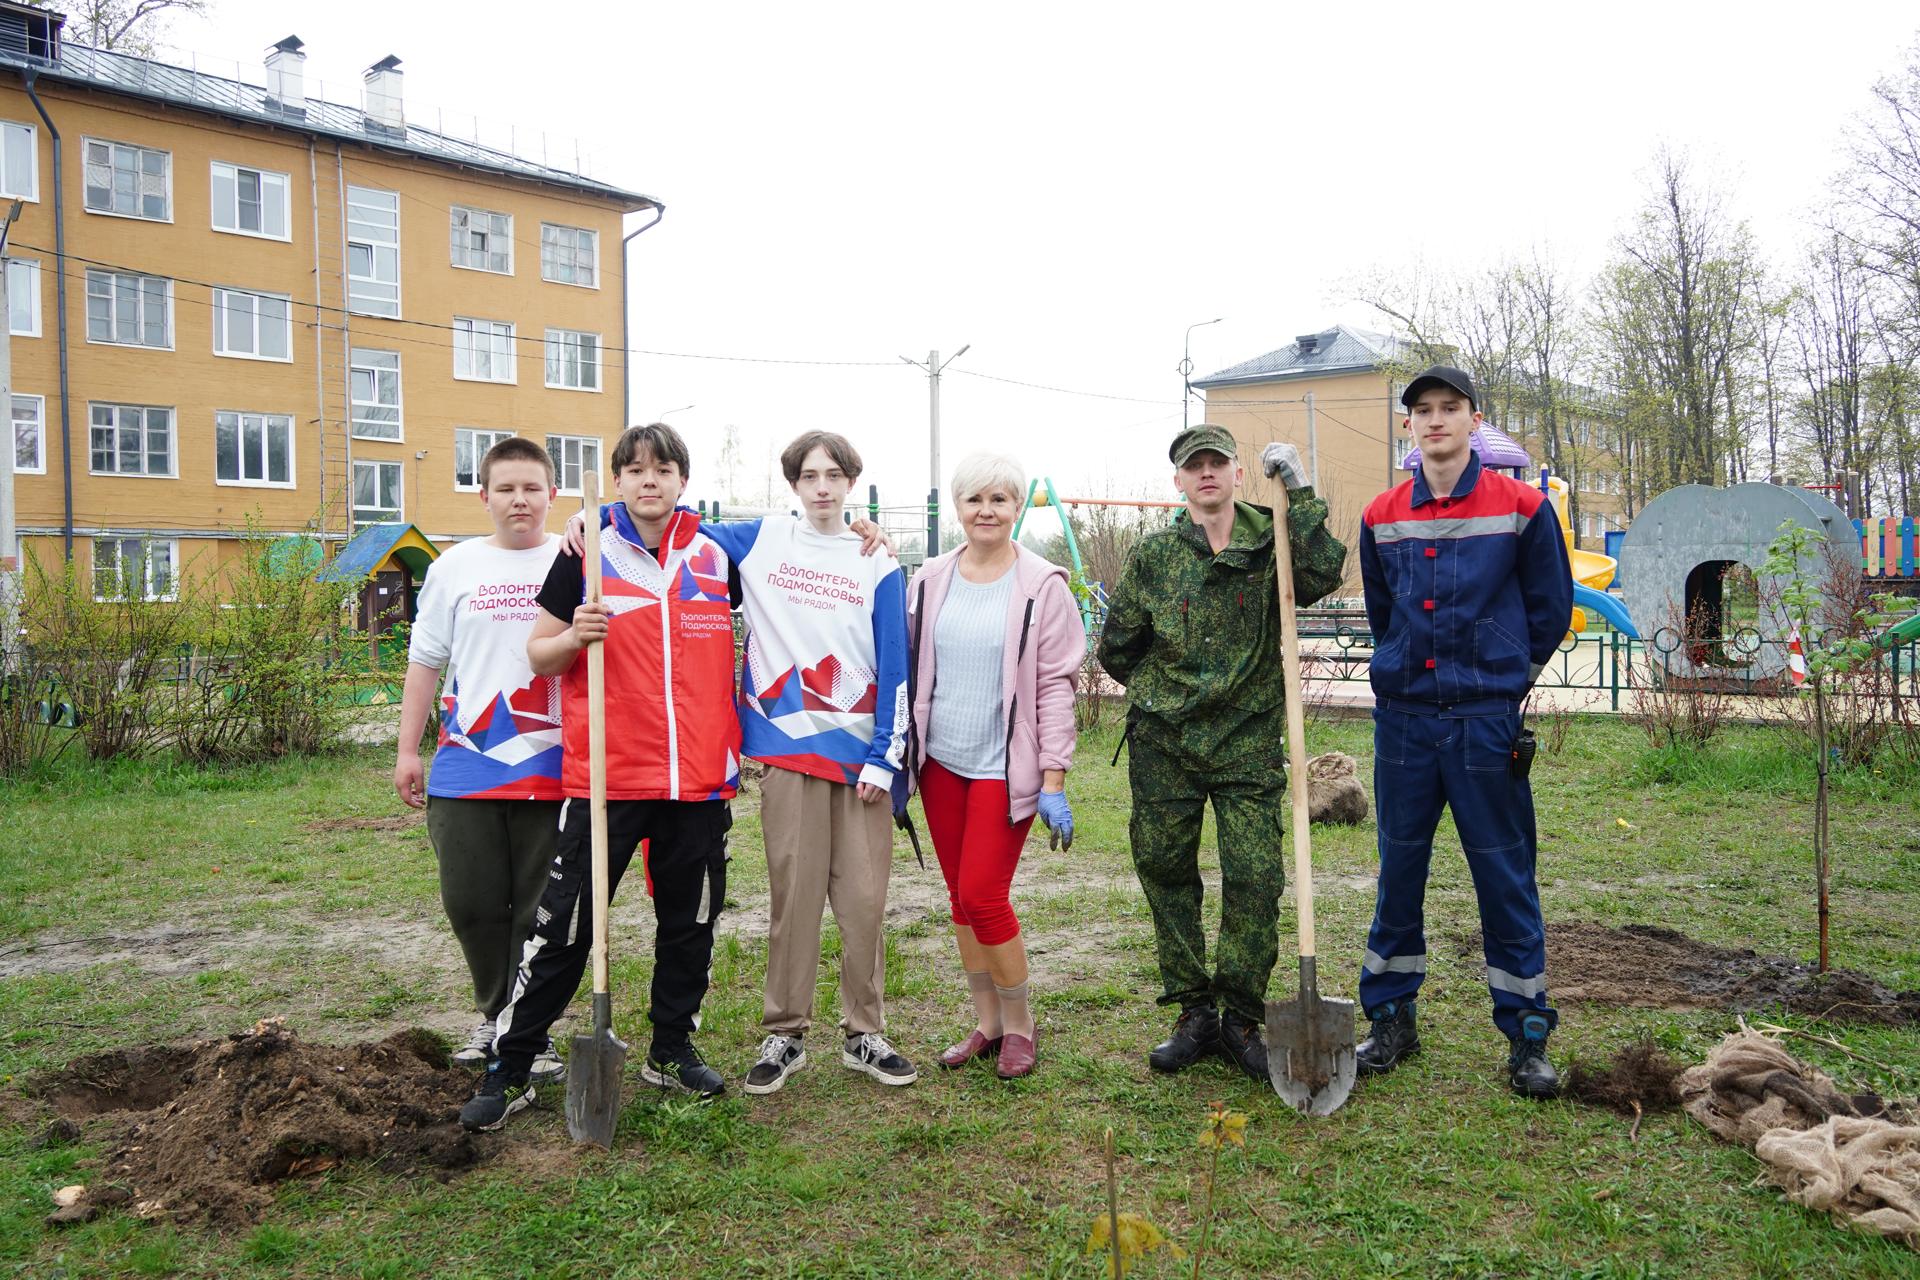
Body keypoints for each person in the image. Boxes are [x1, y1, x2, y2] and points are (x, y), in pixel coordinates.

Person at [563, 432, 913, 1096]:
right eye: (809, 475)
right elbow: (664, 521)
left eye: (834, 476)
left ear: (852, 482)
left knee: (864, 903)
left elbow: (896, 663)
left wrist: (884, 760)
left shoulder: (875, 559)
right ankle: (785, 1033)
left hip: (862, 763)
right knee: (794, 899)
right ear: (793, 485)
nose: (822, 488)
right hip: (787, 755)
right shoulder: (758, 542)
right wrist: (591, 521)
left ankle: (865, 1031)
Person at [460, 422, 741, 1131]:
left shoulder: (718, 555)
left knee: (690, 926)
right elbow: (538, 655)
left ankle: (671, 1048)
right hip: (606, 783)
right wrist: (573, 637)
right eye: (636, 470)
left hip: (698, 783)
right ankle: (513, 1066)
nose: (650, 481)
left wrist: (868, 533)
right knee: (564, 932)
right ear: (617, 481)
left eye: (664, 469)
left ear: (683, 480)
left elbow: (806, 538)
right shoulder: (584, 554)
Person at [1097, 424, 1345, 1080]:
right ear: (1179, 481)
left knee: (1257, 876)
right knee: (1167, 870)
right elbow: (1117, 645)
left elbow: (1324, 571)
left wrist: (1300, 489)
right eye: (1193, 466)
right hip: (1165, 743)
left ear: (1238, 474)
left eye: (1218, 463)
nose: (1206, 474)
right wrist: (1167, 690)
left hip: (1249, 739)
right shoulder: (1154, 556)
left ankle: (1238, 1015)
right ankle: (1192, 1012)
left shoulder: (1273, 546)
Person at [1353, 366, 1572, 1099]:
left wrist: (1505, 676)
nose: (1436, 419)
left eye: (1450, 408)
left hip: (1484, 725)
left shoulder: (1522, 506)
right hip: (1405, 725)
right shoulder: (1382, 513)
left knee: (1504, 877)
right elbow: (1385, 614)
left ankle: (1527, 1034)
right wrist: (1406, 669)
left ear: (1474, 420)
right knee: (1398, 873)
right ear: (1408, 426)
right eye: (1423, 410)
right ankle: (1390, 1019)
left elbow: (1549, 607)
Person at [394, 436, 568, 1085]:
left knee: (537, 910)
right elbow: (426, 662)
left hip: (554, 769)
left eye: (531, 488)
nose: (519, 500)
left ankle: (529, 1029)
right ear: (484, 496)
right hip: (467, 765)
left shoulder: (578, 561)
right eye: (506, 488)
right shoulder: (455, 569)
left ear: (552, 494)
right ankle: (493, 1012)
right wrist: (408, 749)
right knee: (471, 902)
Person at [906, 453, 1084, 1080]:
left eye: (1000, 499)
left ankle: (1021, 1025)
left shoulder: (1042, 585)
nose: (986, 510)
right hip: (941, 764)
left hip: (1004, 769)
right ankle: (986, 1023)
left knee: (985, 894)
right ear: (957, 506)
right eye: (974, 499)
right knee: (959, 898)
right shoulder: (928, 579)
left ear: (1016, 508)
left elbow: (1056, 687)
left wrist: (1054, 779)